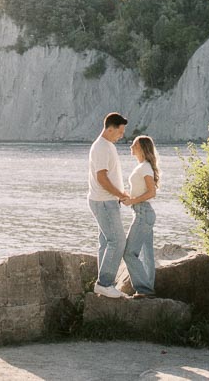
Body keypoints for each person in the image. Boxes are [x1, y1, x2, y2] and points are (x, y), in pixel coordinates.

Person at [87, 112, 130, 297]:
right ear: (110, 128)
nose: (121, 136)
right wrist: (121, 194)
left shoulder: (106, 145)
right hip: (104, 201)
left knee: (105, 242)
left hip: (105, 200)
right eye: (119, 132)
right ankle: (104, 283)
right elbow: (102, 178)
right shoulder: (102, 147)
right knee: (118, 241)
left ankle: (103, 284)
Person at [121, 135, 159, 297]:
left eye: (134, 145)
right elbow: (143, 190)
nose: (131, 147)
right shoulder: (144, 166)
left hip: (143, 213)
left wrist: (133, 200)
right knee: (147, 255)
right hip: (143, 212)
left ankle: (144, 289)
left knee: (129, 253)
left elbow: (152, 192)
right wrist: (127, 197)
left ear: (142, 149)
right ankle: (148, 290)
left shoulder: (144, 168)